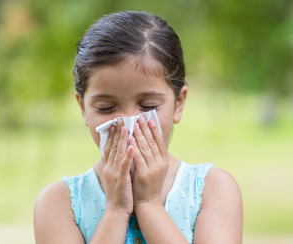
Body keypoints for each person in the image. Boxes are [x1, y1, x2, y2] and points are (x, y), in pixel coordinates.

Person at [34, 11, 243, 244]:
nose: (127, 123)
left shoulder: (212, 190)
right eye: (105, 107)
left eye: (148, 105)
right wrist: (115, 211)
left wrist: (149, 205)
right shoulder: (59, 203)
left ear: (178, 103)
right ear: (83, 108)